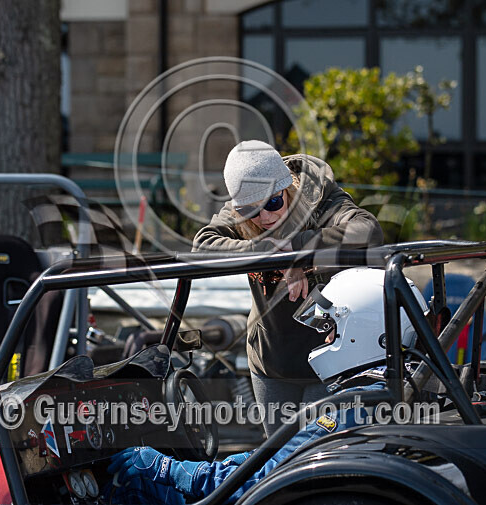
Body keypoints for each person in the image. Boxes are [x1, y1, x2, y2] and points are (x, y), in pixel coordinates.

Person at [104, 268, 426, 505]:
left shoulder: (346, 412)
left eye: (331, 330)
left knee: (134, 487)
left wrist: (164, 468)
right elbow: (269, 461)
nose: (325, 338)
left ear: (364, 333)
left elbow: (258, 478)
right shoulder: (401, 394)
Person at [193, 140, 383, 436]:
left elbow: (367, 231)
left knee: (311, 459)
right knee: (277, 464)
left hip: (329, 360)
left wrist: (297, 250)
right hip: (271, 363)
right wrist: (269, 251)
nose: (265, 217)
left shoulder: (321, 198)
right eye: (251, 212)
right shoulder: (241, 212)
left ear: (288, 188)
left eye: (273, 203)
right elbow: (202, 247)